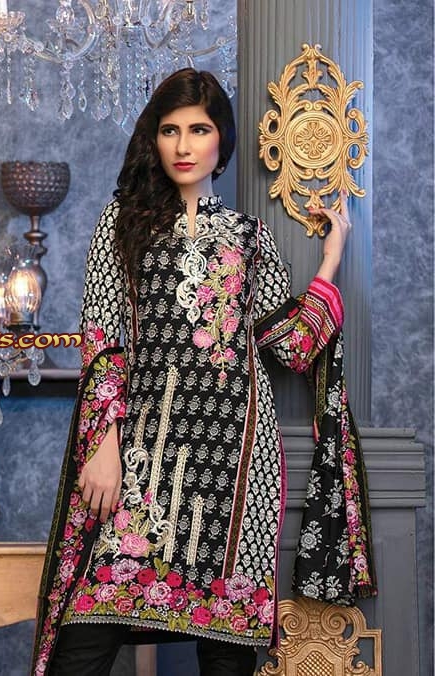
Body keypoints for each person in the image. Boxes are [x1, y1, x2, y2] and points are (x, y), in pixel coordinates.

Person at [32, 68, 373, 676]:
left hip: (234, 468)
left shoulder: (250, 238)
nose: (183, 146)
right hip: (140, 455)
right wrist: (104, 442)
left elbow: (291, 347)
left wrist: (330, 260)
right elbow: (104, 340)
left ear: (223, 139)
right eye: (170, 130)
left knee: (226, 656)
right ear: (154, 139)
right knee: (82, 646)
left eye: (199, 129)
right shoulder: (123, 222)